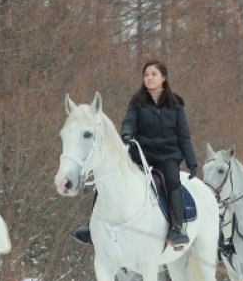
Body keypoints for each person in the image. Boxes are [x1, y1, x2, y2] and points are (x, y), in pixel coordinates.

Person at [71, 61, 198, 250]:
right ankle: (91, 226)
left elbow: (183, 134)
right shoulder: (137, 101)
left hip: (167, 155)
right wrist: (127, 135)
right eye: (146, 74)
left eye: (153, 74)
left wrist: (191, 161)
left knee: (172, 181)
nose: (149, 78)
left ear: (163, 77)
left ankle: (177, 228)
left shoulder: (176, 104)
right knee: (107, 177)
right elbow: (128, 122)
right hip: (141, 153)